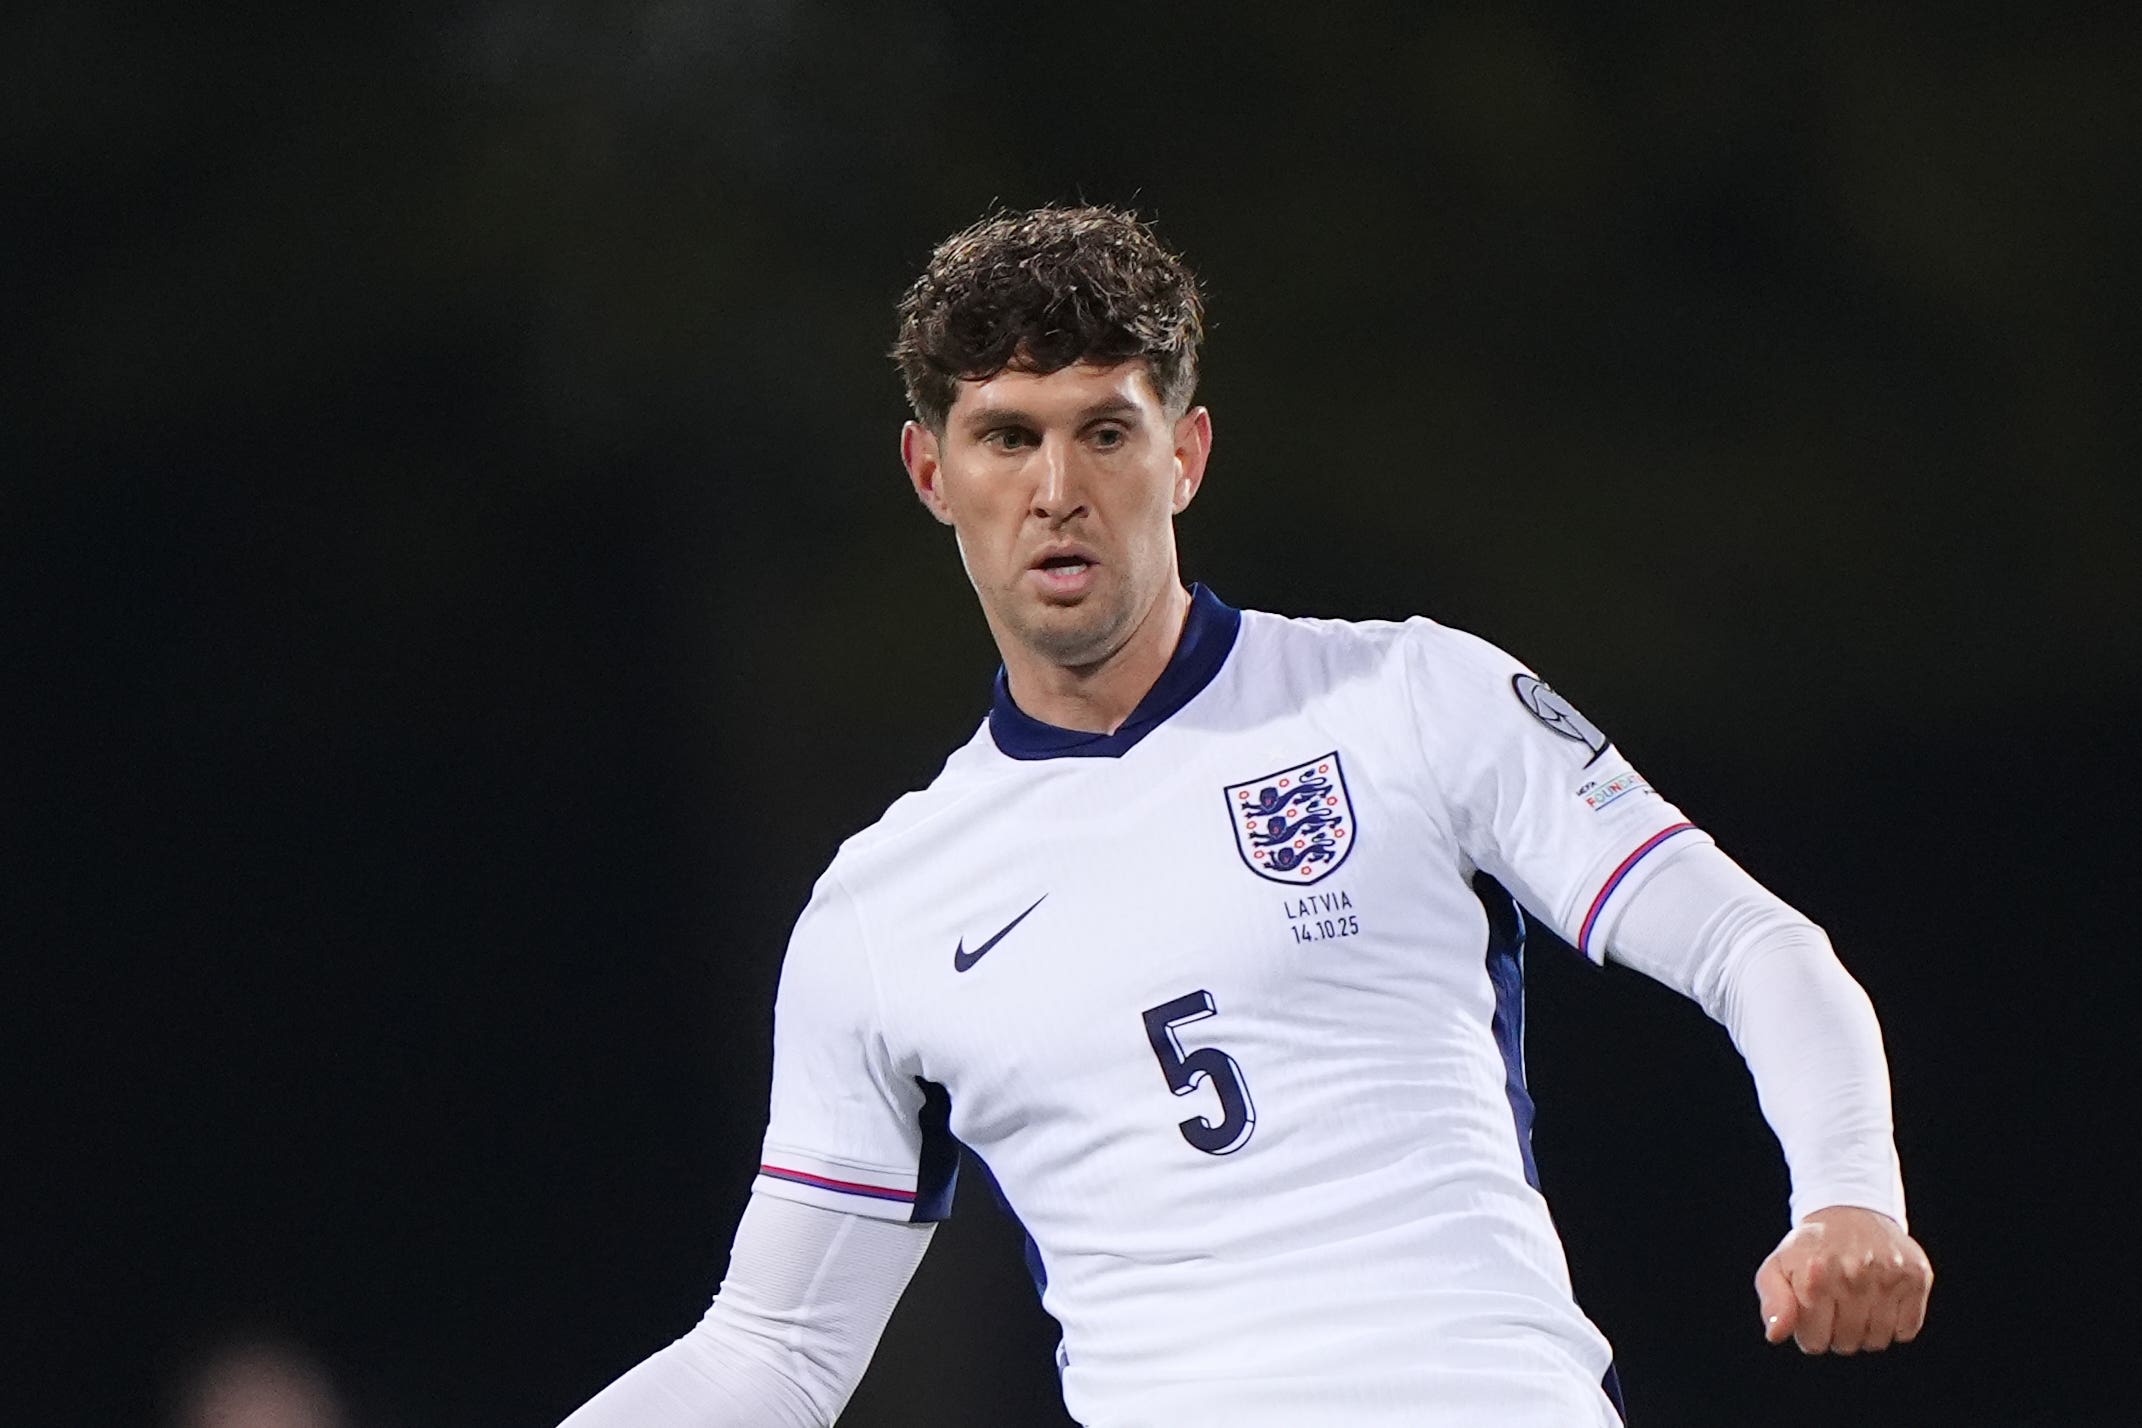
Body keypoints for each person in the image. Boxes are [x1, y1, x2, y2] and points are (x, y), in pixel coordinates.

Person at [559, 206, 1933, 1427]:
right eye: (1005, 438)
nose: (1058, 489)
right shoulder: (882, 908)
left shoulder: (1405, 695)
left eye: (1106, 430)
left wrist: (1848, 1191)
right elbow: (777, 1348)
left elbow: (1753, 948)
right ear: (932, 474)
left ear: (1185, 453)